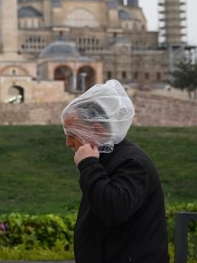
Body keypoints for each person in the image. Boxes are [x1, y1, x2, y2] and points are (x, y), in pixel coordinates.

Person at [61, 79, 168, 263]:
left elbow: (114, 209)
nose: (68, 143)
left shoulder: (132, 162)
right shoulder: (106, 158)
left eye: (73, 135)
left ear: (96, 129)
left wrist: (88, 165)